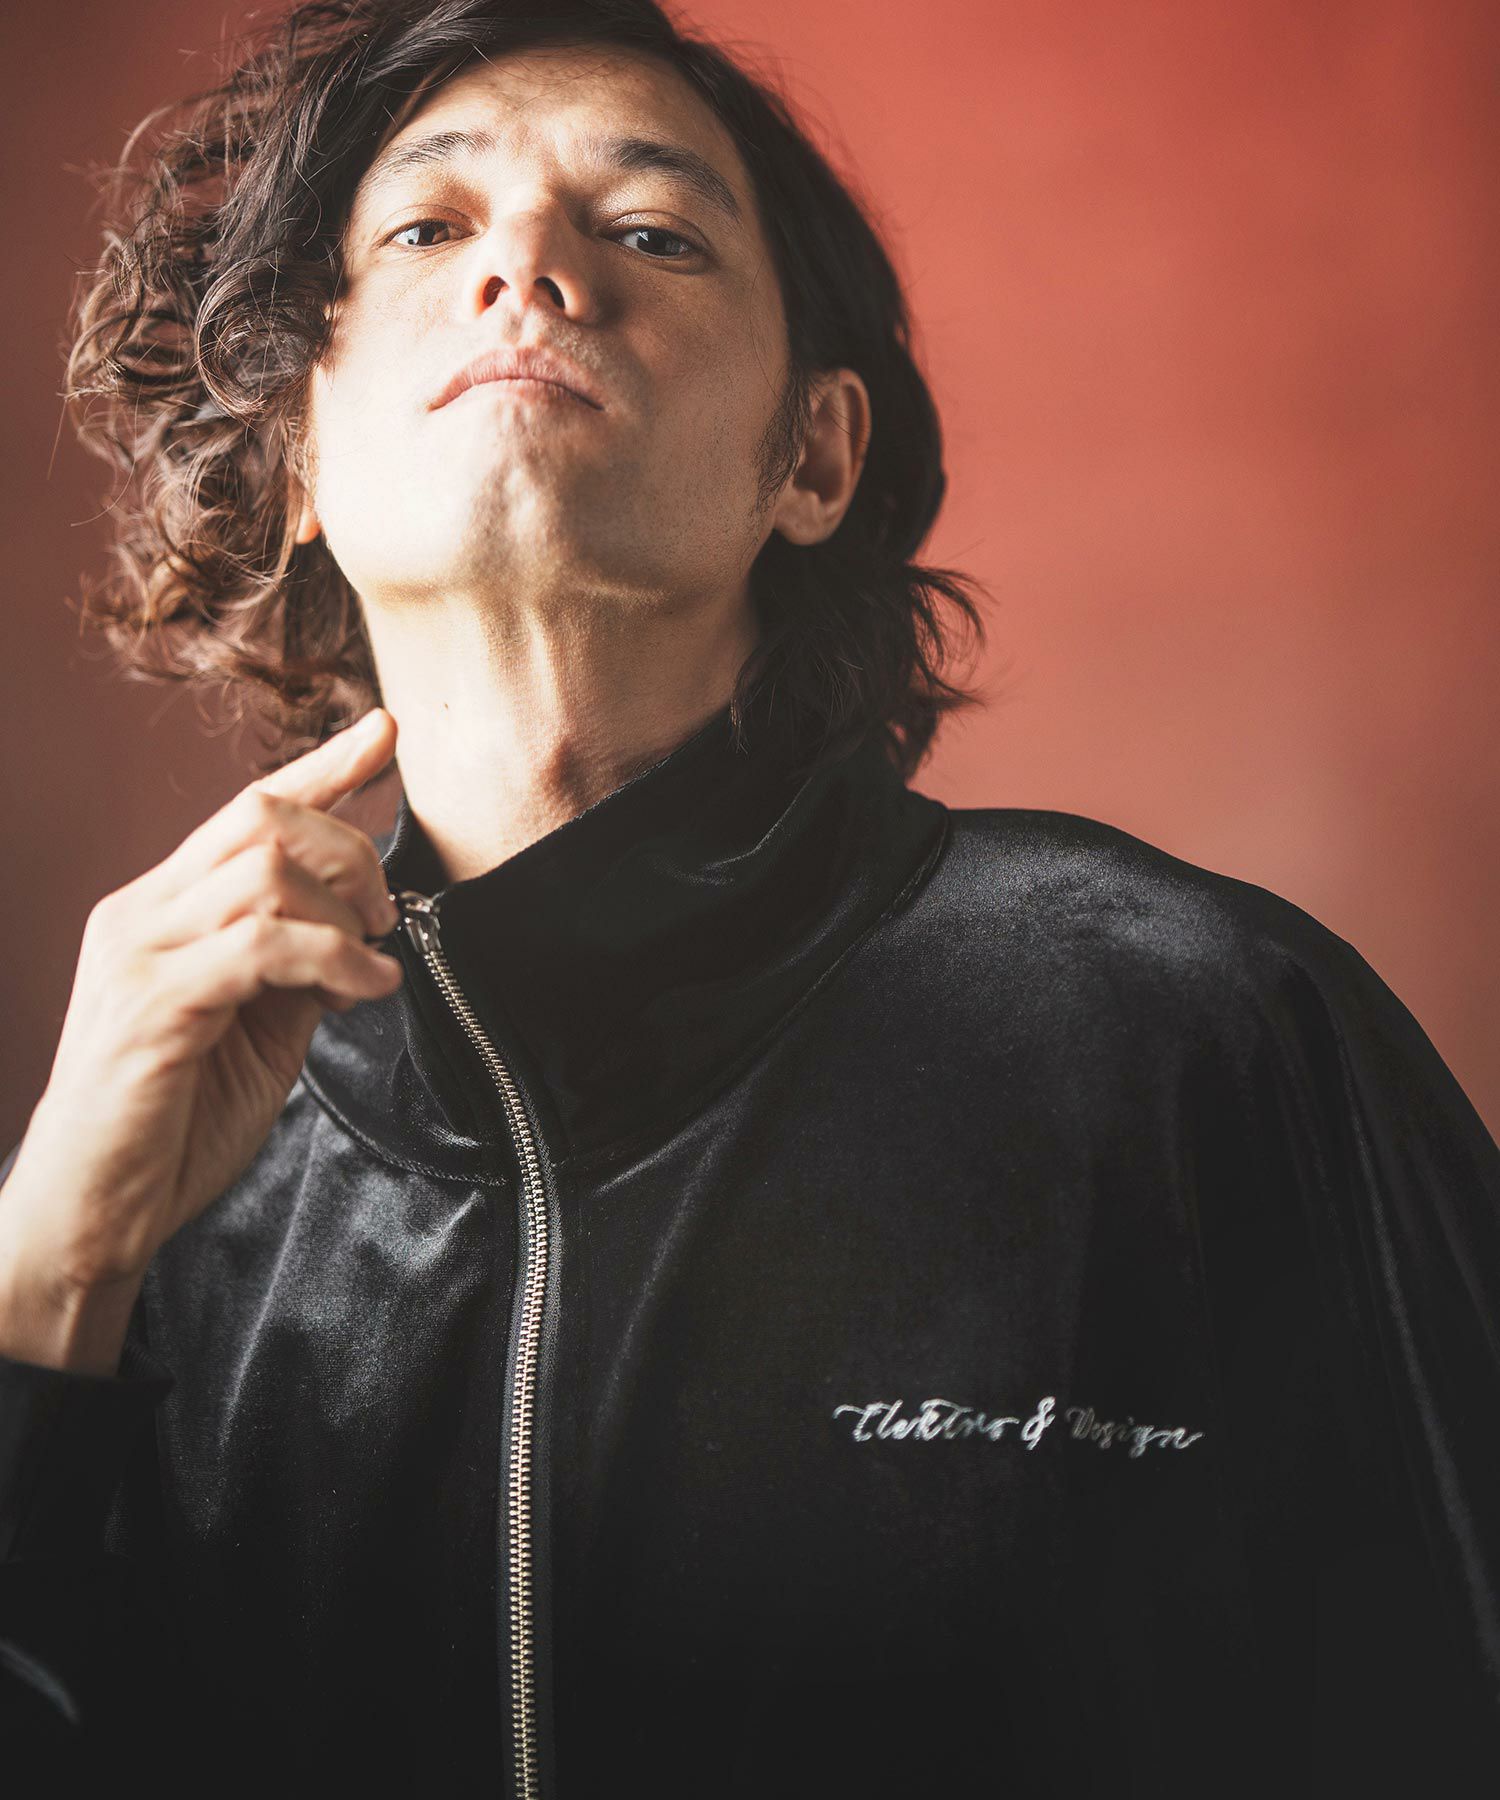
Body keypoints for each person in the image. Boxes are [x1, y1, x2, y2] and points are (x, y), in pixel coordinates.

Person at [1, 1, 1496, 1794]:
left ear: (813, 459)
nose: (528, 269)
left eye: (650, 232)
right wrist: (47, 1278)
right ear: (300, 459)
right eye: (428, 227)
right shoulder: (154, 1187)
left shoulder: (1206, 1032)